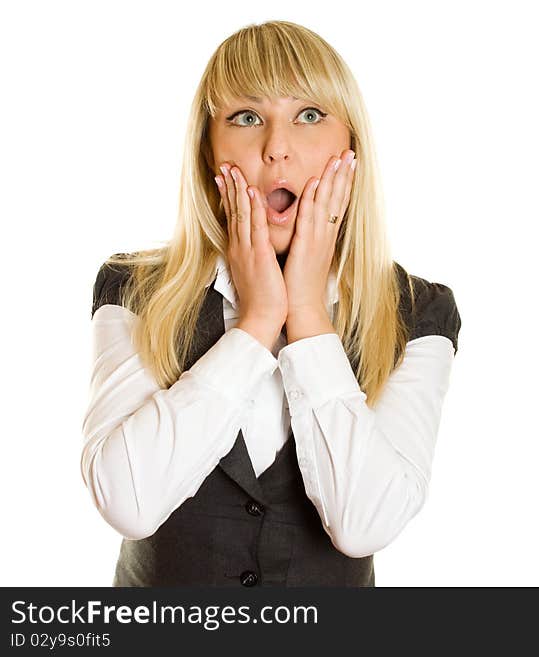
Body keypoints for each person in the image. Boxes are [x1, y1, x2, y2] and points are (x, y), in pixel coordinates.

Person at [80, 20, 461, 587]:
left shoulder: (419, 312)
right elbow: (127, 502)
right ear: (208, 149)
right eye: (246, 117)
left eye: (309, 115)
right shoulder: (134, 289)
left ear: (349, 147)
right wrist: (256, 325)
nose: (276, 149)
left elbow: (365, 523)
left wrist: (307, 315)